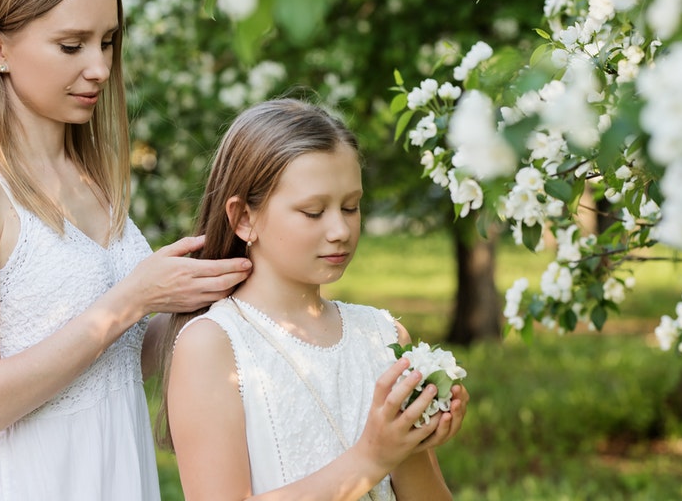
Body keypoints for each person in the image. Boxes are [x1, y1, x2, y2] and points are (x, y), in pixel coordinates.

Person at [0, 0, 251, 500]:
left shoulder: (91, 178)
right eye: (71, 45)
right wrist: (133, 298)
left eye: (108, 41)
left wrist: (204, 296)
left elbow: (118, 360)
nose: (98, 67)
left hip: (114, 473)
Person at [158, 99, 469, 500]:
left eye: (351, 207)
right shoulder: (214, 345)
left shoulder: (382, 335)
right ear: (244, 219)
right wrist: (371, 458)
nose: (340, 229)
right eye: (313, 211)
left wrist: (409, 442)